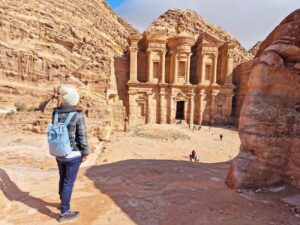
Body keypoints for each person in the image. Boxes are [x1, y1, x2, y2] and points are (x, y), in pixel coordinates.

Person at [52, 86, 90, 222]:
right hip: (73, 154)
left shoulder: (55, 113)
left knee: (62, 179)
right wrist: (85, 152)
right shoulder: (77, 114)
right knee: (68, 183)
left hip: (58, 152)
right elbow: (82, 135)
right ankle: (64, 211)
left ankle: (63, 202)